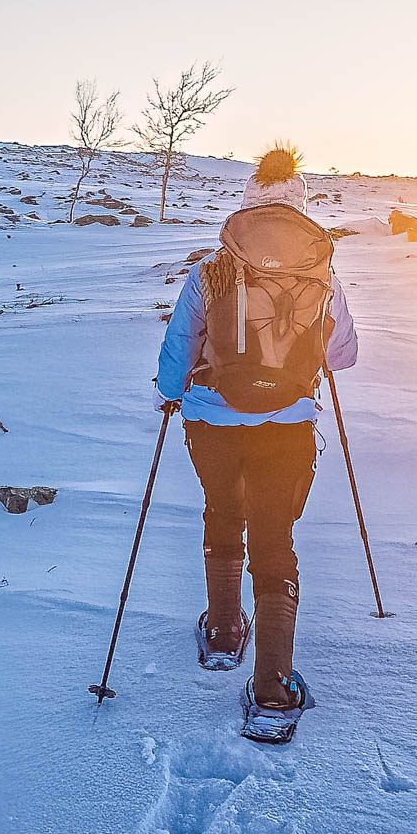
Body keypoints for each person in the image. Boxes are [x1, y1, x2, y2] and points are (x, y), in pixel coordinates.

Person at [155, 145, 357, 733]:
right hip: (288, 424)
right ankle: (272, 688)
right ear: (300, 209)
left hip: (211, 421)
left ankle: (222, 632)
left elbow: (179, 348)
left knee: (223, 512)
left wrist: (172, 392)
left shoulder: (211, 269)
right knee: (275, 538)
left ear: (247, 207)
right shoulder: (322, 275)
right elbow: (342, 355)